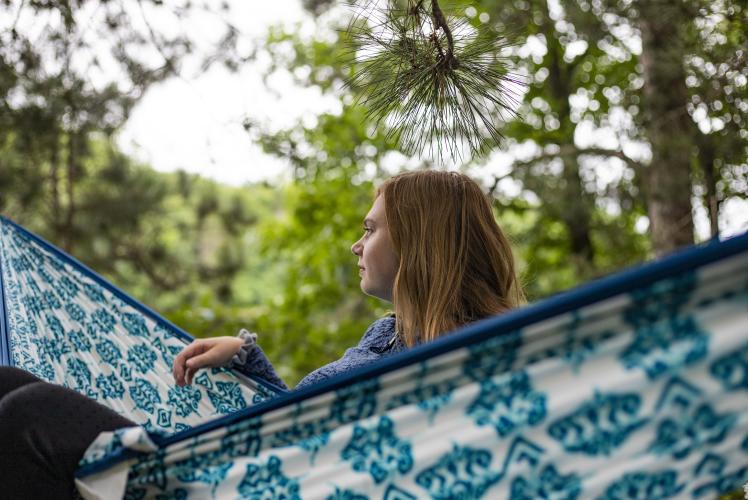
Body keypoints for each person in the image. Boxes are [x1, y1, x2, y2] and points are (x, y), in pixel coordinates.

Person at [0, 170, 523, 498]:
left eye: (370, 228)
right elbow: (298, 420)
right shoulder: (387, 336)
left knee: (30, 414)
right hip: (256, 474)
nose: (355, 245)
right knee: (8, 383)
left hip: (243, 487)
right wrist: (246, 357)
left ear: (419, 242)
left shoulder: (482, 359)